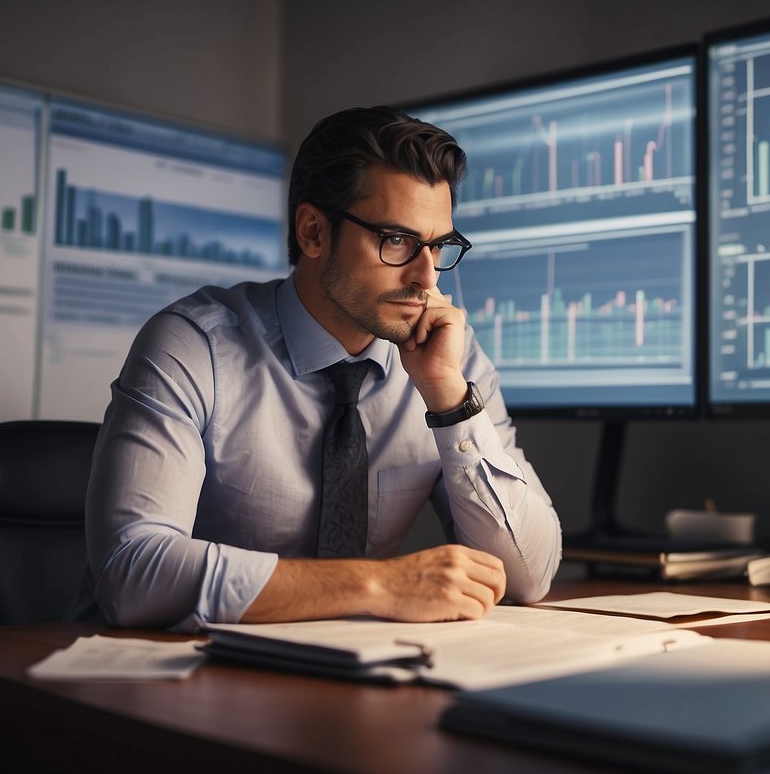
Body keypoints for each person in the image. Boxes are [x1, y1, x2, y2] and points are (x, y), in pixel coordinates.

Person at [79, 105, 562, 631]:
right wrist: (378, 585)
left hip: (350, 679)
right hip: (167, 680)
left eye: (439, 246)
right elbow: (130, 571)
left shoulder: (452, 357)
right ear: (313, 232)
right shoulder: (192, 346)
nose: (427, 277)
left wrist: (450, 401)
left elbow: (529, 577)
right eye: (397, 241)